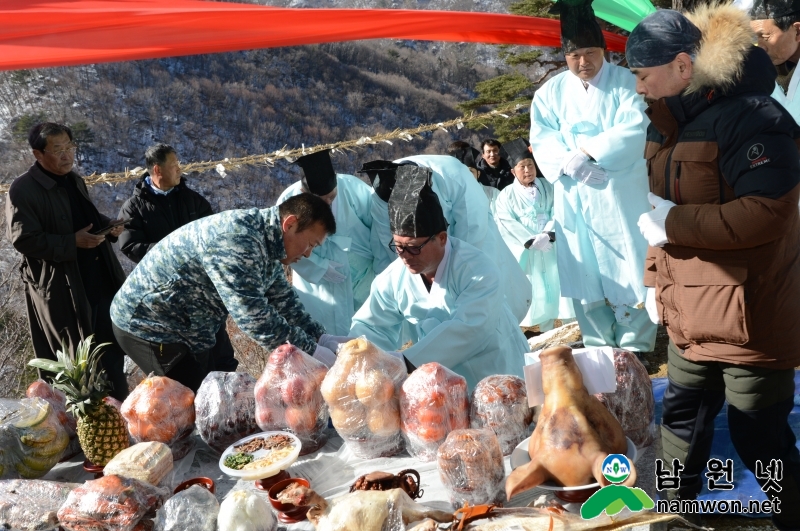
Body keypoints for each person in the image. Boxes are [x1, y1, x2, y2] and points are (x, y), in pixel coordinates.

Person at [628, 7, 800, 529]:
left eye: (642, 75)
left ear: (682, 66)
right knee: (680, 420)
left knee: (758, 433)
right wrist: (656, 279)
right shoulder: (666, 123)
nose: (637, 88)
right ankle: (676, 517)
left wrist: (675, 227)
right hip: (690, 312)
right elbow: (658, 212)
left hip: (750, 314)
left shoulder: (756, 118)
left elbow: (767, 214)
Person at [110, 193, 341, 392]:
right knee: (190, 401)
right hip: (151, 324)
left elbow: (283, 300)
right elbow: (255, 318)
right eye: (310, 244)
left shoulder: (267, 241)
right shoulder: (239, 239)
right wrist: (312, 352)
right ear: (289, 224)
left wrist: (321, 337)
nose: (309, 254)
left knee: (224, 385)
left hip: (196, 320)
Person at [529, 0, 656, 352]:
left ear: (603, 49)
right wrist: (567, 163)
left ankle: (635, 346)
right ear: (564, 55)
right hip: (575, 196)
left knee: (630, 263)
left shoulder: (627, 83)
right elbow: (541, 138)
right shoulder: (549, 94)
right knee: (585, 274)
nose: (582, 62)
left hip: (620, 193)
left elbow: (635, 127)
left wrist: (589, 153)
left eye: (589, 52)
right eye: (574, 56)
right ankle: (599, 345)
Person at [350, 165, 529, 389]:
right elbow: (373, 326)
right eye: (398, 246)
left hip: (498, 371)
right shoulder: (394, 277)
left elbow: (470, 328)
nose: (405, 256)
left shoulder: (477, 270)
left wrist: (404, 362)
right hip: (442, 384)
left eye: (414, 247)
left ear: (442, 238)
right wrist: (355, 353)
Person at [6, 122, 129, 400]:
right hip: (63, 290)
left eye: (69, 147)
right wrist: (71, 242)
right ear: (38, 155)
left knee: (111, 355)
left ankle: (120, 417)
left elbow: (86, 218)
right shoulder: (22, 190)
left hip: (98, 280)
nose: (66, 155)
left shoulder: (73, 179)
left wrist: (108, 226)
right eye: (58, 150)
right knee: (79, 364)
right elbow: (23, 240)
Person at [366, 154, 532, 323]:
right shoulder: (381, 191)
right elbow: (386, 241)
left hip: (474, 240)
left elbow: (472, 227)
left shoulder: (452, 173)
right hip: (424, 246)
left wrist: (450, 269)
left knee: (482, 298)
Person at [117, 143, 238, 372]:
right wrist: (168, 255)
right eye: (174, 166)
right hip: (165, 295)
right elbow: (130, 244)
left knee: (220, 354)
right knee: (186, 361)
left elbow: (214, 234)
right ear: (157, 170)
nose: (179, 169)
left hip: (200, 290)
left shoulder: (192, 200)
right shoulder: (134, 207)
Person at [277, 150, 374, 335]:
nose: (327, 203)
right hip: (316, 283)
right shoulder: (288, 200)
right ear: (303, 192)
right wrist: (319, 266)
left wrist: (381, 265)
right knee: (322, 333)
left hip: (362, 274)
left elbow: (378, 228)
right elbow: (286, 245)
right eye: (321, 200)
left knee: (365, 333)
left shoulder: (354, 189)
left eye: (331, 197)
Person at [493, 138, 573, 331]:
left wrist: (548, 233)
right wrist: (530, 240)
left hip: (553, 244)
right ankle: (547, 329)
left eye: (530, 165)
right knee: (537, 286)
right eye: (522, 167)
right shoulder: (506, 195)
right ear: (513, 171)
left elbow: (559, 209)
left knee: (561, 283)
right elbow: (505, 222)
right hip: (530, 250)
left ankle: (571, 325)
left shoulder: (549, 186)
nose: (528, 170)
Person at [748, 0, 800, 122]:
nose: (761, 46)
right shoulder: (758, 74)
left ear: (797, 31)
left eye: (765, 37)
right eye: (756, 37)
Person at [447, 140, 499, 214]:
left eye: (470, 171)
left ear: (478, 174)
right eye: (460, 172)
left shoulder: (494, 195)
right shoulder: (446, 198)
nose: (466, 176)